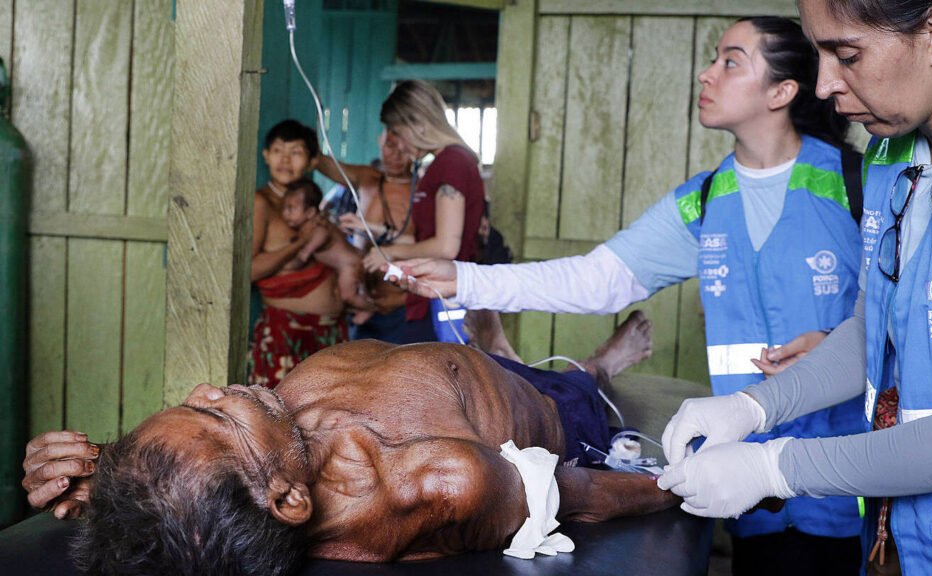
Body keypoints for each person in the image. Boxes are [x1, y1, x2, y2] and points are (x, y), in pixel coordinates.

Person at [389, 17, 866, 574]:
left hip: (843, 477)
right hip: (746, 486)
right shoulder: (707, 199)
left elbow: (905, 322)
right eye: (713, 58)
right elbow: (597, 279)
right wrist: (467, 279)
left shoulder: (853, 185)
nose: (706, 73)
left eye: (730, 62)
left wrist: (835, 344)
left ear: (781, 92)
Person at [654, 2, 932, 575]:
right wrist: (754, 407)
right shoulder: (890, 153)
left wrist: (774, 468)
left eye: (847, 55)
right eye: (819, 53)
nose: (824, 84)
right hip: (902, 539)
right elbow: (872, 331)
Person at [22, 315, 677, 575]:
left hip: (442, 366)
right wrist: (693, 485)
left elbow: (188, 483)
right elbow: (577, 493)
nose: (210, 388)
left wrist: (111, 477)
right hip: (543, 409)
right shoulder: (440, 478)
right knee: (578, 385)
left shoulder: (246, 472)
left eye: (196, 404)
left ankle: (500, 348)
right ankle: (599, 366)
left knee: (498, 358)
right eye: (220, 418)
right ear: (288, 500)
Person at [367, 80, 486, 344]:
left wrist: (392, 252)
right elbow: (429, 236)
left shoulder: (452, 163)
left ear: (418, 124)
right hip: (430, 296)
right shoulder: (441, 163)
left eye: (399, 133)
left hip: (443, 300)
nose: (400, 146)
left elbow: (446, 247)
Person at [250, 120, 348, 389]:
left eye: (295, 152)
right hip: (287, 331)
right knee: (281, 408)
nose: (285, 160)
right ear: (266, 155)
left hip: (329, 330)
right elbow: (250, 270)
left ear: (311, 160)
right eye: (278, 151)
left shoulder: (313, 203)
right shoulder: (262, 202)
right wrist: (300, 242)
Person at [317, 130, 417, 342]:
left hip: (404, 308)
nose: (397, 155)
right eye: (390, 146)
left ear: (418, 150)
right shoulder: (367, 179)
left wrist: (404, 301)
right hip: (362, 301)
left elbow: (433, 247)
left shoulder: (423, 191)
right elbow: (318, 161)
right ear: (380, 142)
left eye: (406, 149)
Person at [279, 178, 374, 323]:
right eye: (284, 208)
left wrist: (305, 252)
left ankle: (371, 308)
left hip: (350, 265)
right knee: (348, 293)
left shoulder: (318, 226)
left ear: (310, 212)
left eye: (291, 208)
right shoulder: (311, 224)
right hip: (349, 263)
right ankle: (361, 306)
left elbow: (321, 235)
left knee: (348, 296)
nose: (285, 214)